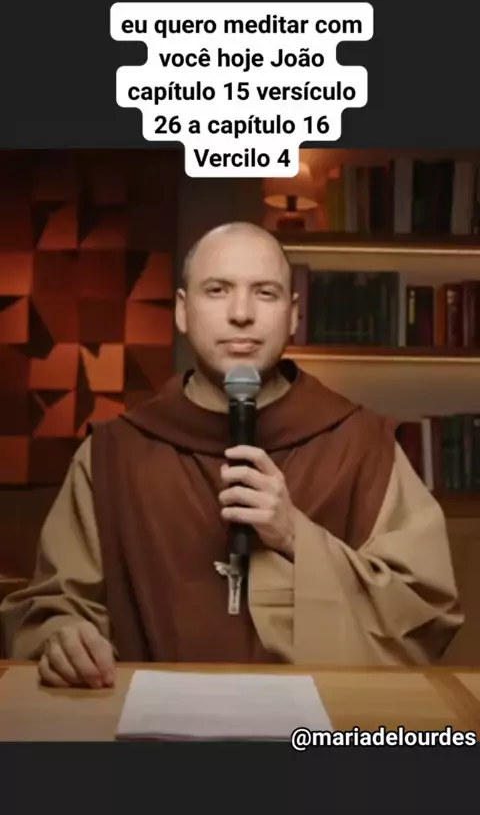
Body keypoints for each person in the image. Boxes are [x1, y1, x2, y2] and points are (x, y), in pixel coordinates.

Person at [0, 222, 463, 688]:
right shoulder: (111, 455)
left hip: (314, 725)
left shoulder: (363, 445)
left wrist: (294, 536)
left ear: (293, 314)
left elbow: (422, 614)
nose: (241, 314)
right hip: (154, 726)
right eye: (217, 290)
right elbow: (51, 607)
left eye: (265, 293)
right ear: (182, 310)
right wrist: (63, 637)